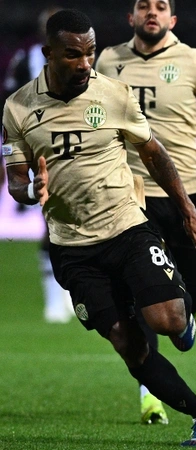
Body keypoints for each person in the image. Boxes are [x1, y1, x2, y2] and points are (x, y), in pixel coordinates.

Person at [3, 9, 196, 446]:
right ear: (49, 54)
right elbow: (15, 181)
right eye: (73, 55)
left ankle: (180, 315)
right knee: (129, 344)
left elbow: (154, 152)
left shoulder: (113, 94)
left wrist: (187, 210)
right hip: (73, 248)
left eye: (90, 53)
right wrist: (32, 189)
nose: (85, 63)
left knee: (168, 319)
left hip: (127, 228)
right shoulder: (18, 108)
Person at [95, 0, 196, 426]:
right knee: (139, 294)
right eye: (144, 6)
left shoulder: (193, 62)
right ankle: (150, 394)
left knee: (190, 294)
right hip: (129, 197)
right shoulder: (108, 61)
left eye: (160, 6)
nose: (152, 12)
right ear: (131, 17)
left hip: (185, 195)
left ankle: (193, 306)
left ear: (172, 19)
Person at [2, 4, 75, 324]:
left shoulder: (82, 61)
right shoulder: (26, 60)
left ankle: (72, 292)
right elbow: (8, 105)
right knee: (52, 220)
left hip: (76, 150)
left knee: (76, 224)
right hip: (38, 150)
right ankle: (54, 300)